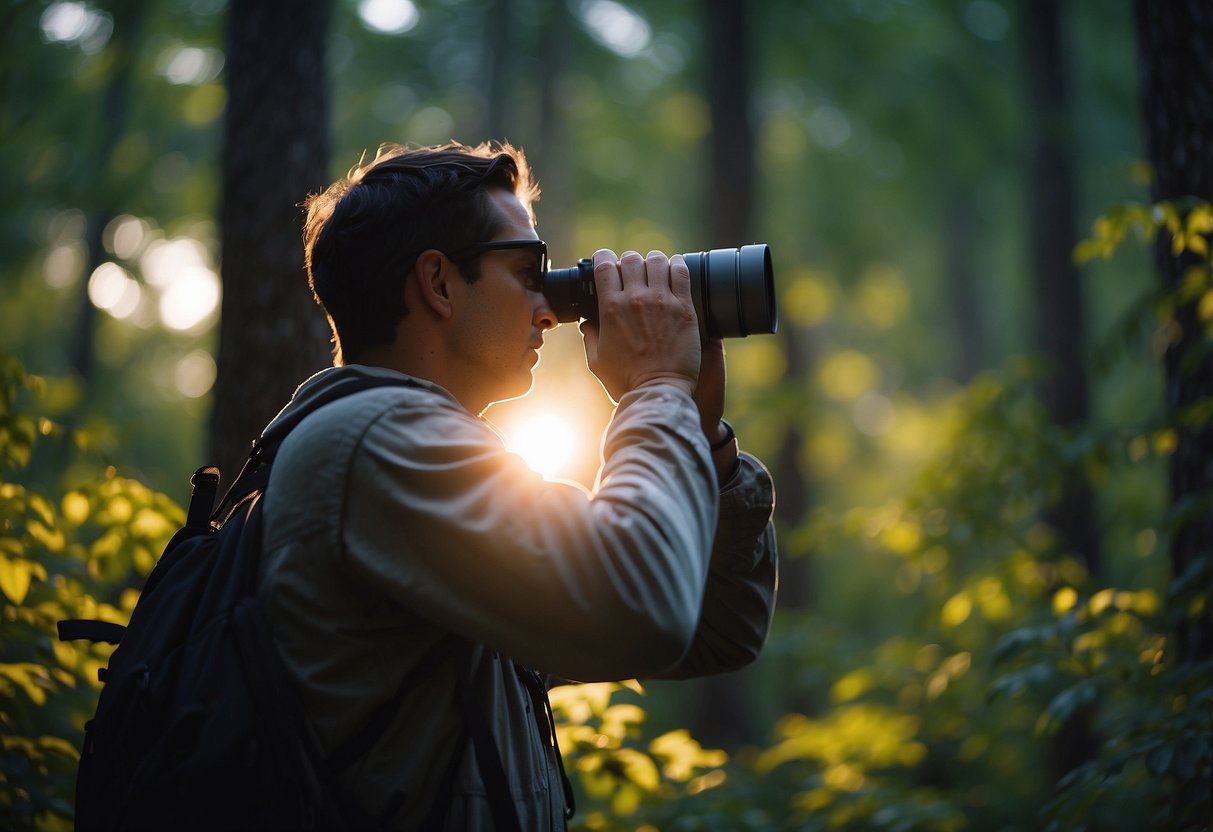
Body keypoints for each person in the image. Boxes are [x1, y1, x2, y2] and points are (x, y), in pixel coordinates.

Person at [256, 140, 778, 830]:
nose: (547, 307)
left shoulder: (425, 458)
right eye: (529, 270)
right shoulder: (374, 444)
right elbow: (645, 609)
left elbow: (718, 633)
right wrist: (653, 388)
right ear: (439, 283)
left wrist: (701, 439)